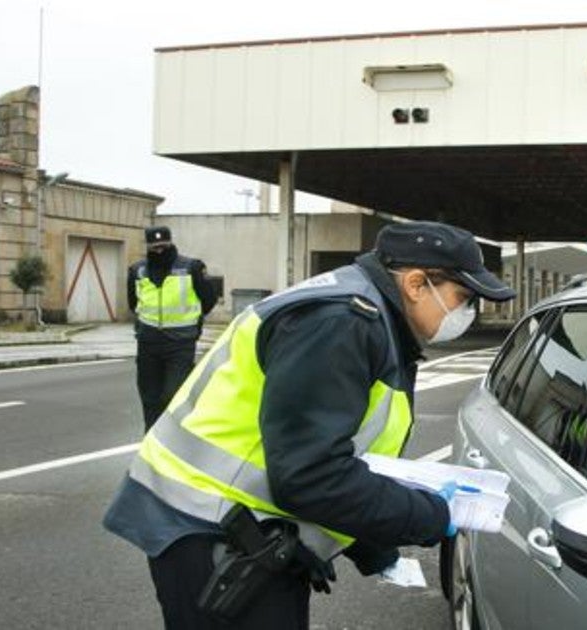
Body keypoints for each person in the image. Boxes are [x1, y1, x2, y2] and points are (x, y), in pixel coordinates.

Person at [103, 221, 515, 629]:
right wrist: (432, 514)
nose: (468, 313)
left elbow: (332, 453)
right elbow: (311, 474)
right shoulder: (341, 323)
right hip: (210, 530)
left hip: (236, 527)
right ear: (415, 284)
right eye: (462, 297)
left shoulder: (365, 313)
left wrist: (373, 546)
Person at [126, 226, 217, 432]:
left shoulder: (191, 267)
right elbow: (133, 303)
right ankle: (150, 445)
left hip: (180, 342)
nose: (159, 251)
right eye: (154, 247)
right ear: (148, 247)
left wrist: (193, 321)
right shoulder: (137, 271)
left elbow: (209, 300)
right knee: (150, 398)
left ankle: (175, 441)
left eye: (163, 246)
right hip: (148, 343)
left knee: (173, 395)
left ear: (170, 243)